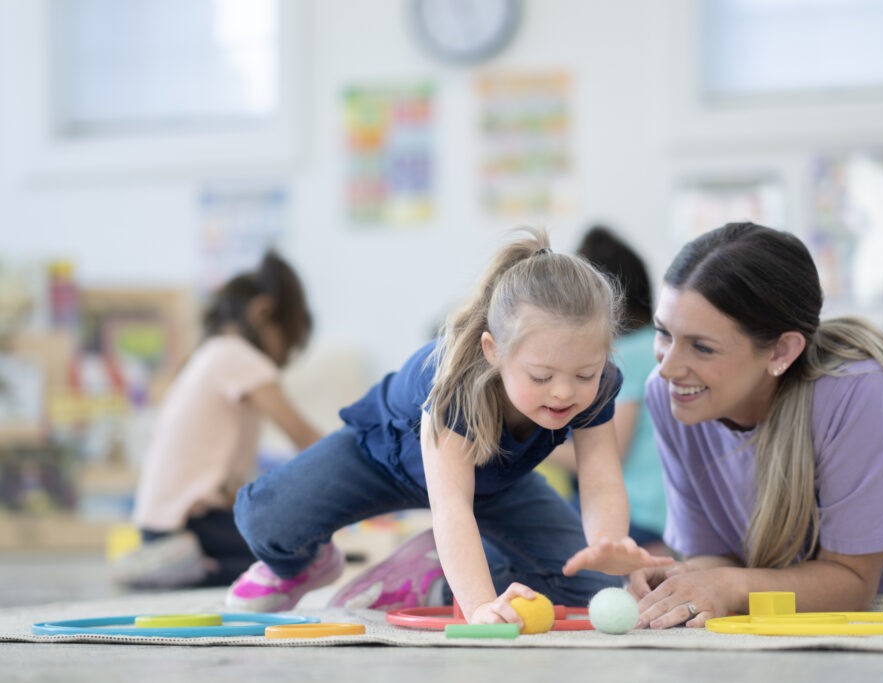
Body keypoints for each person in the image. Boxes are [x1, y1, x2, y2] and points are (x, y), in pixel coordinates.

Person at [226, 228, 670, 623]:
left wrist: (609, 544)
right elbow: (452, 505)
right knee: (262, 519)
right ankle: (301, 567)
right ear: (493, 351)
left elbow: (601, 481)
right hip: (380, 457)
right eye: (541, 377)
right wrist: (479, 606)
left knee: (589, 585)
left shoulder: (600, 383)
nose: (563, 393)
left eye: (585, 375)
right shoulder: (457, 379)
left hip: (496, 480)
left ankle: (431, 571)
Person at [600, 222, 883, 630]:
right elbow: (719, 558)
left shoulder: (862, 389)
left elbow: (852, 583)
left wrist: (729, 586)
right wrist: (685, 578)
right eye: (664, 333)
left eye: (702, 346)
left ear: (781, 351)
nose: (669, 366)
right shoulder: (670, 395)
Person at [112, 250, 322, 588]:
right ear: (263, 313)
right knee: (300, 555)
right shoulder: (239, 356)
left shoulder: (208, 355)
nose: (285, 357)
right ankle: (196, 568)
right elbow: (305, 437)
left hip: (157, 527)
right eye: (289, 339)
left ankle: (187, 565)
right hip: (189, 525)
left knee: (280, 553)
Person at [546, 225, 669, 555]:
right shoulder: (655, 345)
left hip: (636, 516)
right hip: (660, 513)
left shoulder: (624, 356)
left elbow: (609, 453)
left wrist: (521, 453)